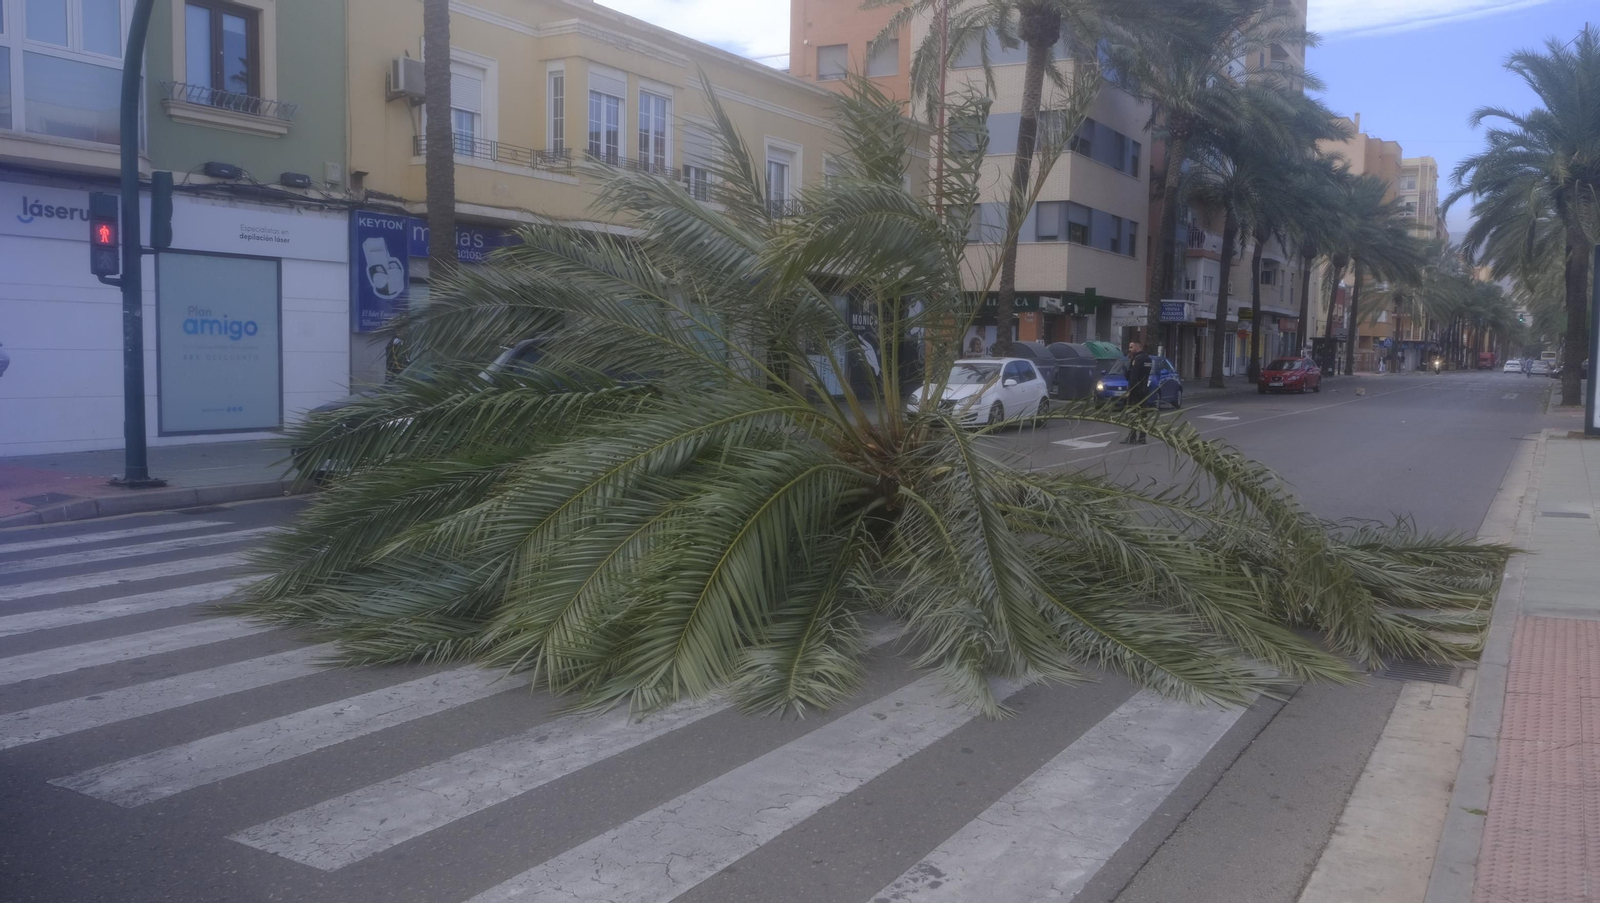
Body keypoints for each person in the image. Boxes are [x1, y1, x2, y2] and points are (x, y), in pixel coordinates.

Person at [1120, 340, 1153, 445]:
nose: (1129, 350)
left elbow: (1133, 377)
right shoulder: (1147, 358)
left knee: (1133, 414)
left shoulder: (1136, 359)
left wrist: (1129, 390)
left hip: (1135, 391)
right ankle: (1142, 437)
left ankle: (1132, 437)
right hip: (1144, 391)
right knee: (1143, 415)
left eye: (1131, 347)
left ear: (1137, 348)